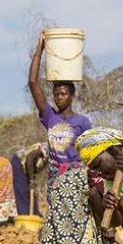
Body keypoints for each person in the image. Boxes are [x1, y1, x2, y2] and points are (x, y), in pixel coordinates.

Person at [28, 31, 92, 192]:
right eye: (56, 94)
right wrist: (39, 50)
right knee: (56, 217)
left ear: (72, 96)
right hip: (55, 179)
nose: (58, 98)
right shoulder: (50, 117)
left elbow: (90, 152)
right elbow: (33, 82)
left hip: (77, 179)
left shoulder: (83, 122)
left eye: (63, 94)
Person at [11, 142, 47, 216]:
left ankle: (34, 213)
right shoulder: (47, 148)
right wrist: (31, 180)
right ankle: (24, 214)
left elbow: (36, 168)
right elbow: (29, 158)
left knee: (31, 191)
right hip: (19, 163)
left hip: (26, 168)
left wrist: (32, 177)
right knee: (22, 190)